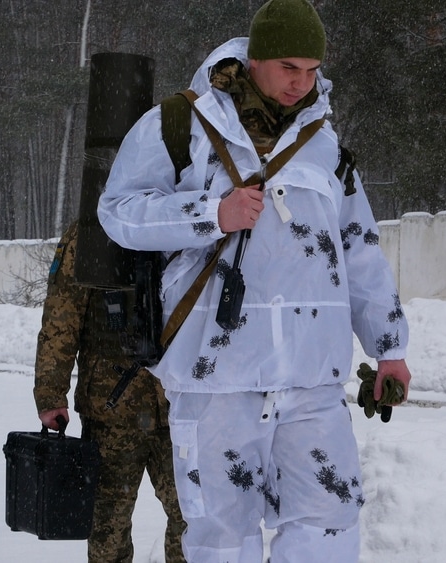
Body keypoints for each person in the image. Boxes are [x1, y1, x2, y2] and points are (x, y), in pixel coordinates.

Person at [96, 1, 413, 561]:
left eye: (313, 70)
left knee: (330, 521)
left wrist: (389, 347)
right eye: (290, 67)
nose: (302, 83)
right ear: (256, 58)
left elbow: (359, 248)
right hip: (216, 373)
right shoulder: (182, 124)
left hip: (311, 375)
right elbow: (119, 211)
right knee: (221, 533)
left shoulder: (325, 144)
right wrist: (211, 214)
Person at [33, 220, 186, 562]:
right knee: (107, 529)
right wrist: (50, 395)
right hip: (111, 413)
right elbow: (61, 319)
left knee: (195, 517)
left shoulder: (180, 219)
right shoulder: (89, 233)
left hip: (179, 407)